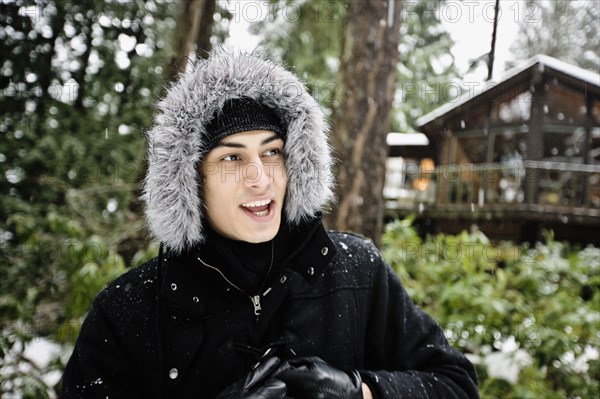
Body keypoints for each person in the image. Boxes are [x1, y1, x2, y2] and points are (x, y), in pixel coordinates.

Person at [61, 50, 479, 398]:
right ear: (190, 179)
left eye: (273, 152)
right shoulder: (129, 310)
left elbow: (456, 384)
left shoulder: (356, 272)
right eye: (232, 158)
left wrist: (358, 390)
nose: (260, 177)